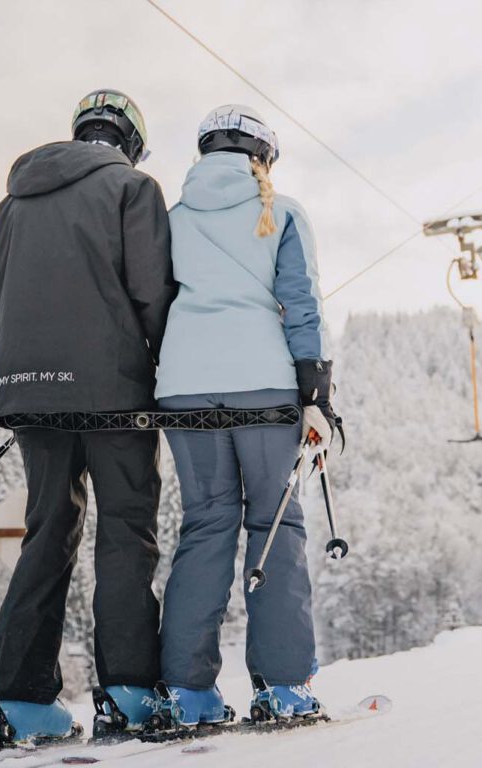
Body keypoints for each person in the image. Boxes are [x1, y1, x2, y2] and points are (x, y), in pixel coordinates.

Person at [0, 89, 176, 751]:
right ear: (131, 140)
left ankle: (24, 703)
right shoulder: (132, 188)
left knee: (47, 530)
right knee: (124, 529)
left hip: (27, 392)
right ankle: (128, 694)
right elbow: (152, 295)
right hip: (114, 391)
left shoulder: (16, 201)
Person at [153, 104, 339, 726]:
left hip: (182, 389)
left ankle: (187, 693)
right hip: (265, 388)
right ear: (264, 158)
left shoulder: (171, 217)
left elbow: (154, 300)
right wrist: (317, 396)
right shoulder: (282, 213)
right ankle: (284, 688)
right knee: (276, 527)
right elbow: (300, 303)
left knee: (205, 527)